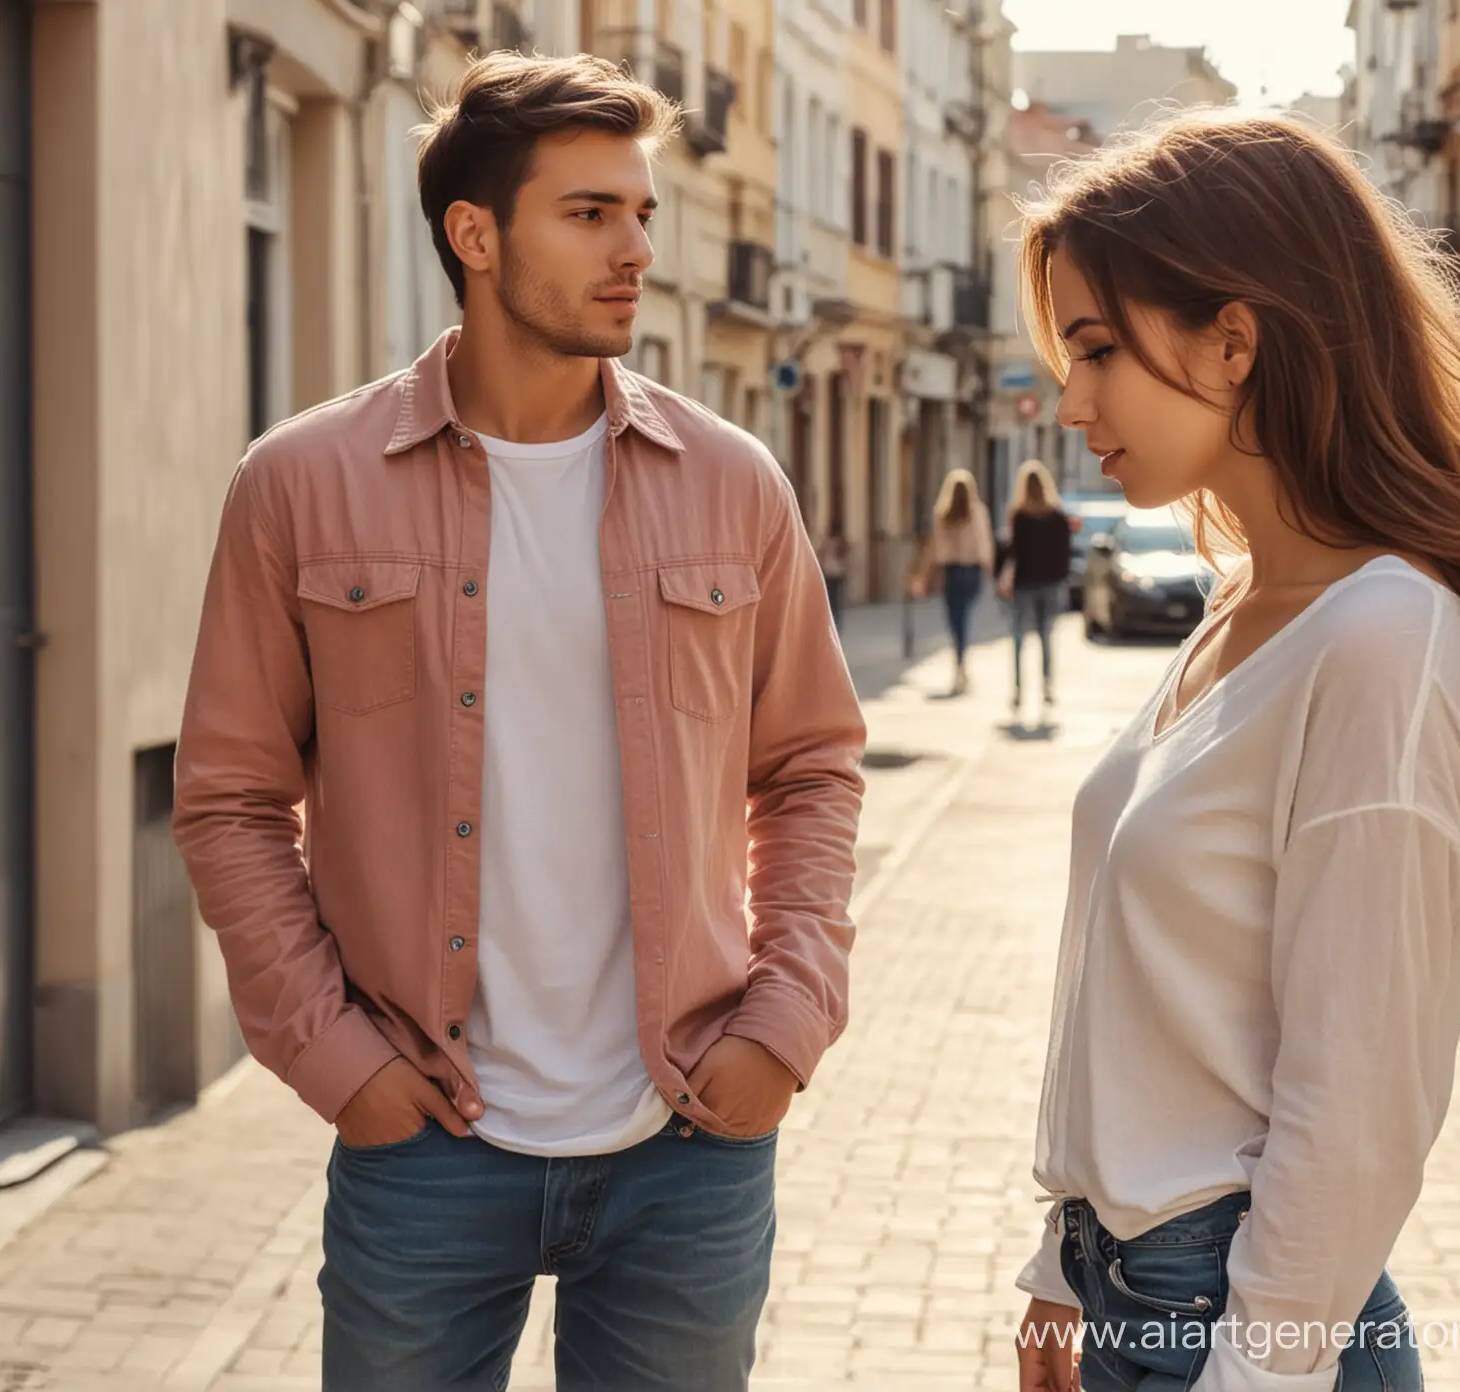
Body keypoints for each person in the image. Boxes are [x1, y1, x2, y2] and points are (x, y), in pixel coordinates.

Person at [172, 53, 867, 1392]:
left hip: (690, 1140)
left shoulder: (733, 483)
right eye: (591, 214)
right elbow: (232, 797)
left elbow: (813, 767)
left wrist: (788, 1018)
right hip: (423, 1141)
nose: (636, 250)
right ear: (475, 235)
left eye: (643, 213)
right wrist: (336, 1058)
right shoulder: (301, 486)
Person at [1010, 110, 1460, 1392]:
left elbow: (1359, 1100)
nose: (1070, 398)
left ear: (1235, 336)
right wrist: (1062, 1267)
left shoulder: (1384, 637)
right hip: (1131, 1286)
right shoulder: (1242, 606)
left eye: (1097, 347)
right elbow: (1130, 983)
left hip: (1239, 1322)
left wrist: (1255, 1371)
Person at [997, 459, 1071, 714]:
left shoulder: (1019, 516)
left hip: (1025, 583)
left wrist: (1004, 579)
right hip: (1050, 583)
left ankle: (1018, 690)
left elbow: (1013, 552)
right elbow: (1065, 554)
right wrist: (1060, 577)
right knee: (1045, 637)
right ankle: (1047, 686)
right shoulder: (1058, 516)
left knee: (1018, 638)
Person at [914, 468, 995, 694]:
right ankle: (961, 661)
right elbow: (984, 543)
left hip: (951, 570)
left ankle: (959, 661)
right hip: (972, 570)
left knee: (956, 619)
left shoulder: (943, 513)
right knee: (964, 616)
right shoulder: (978, 512)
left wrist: (924, 575)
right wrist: (988, 570)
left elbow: (934, 548)